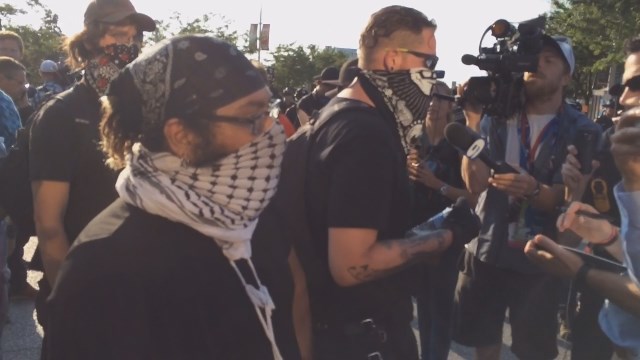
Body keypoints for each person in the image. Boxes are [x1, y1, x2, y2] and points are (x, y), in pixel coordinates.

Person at [44, 34, 299, 360]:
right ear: (181, 135)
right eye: (251, 117)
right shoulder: (104, 267)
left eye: (269, 110)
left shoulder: (254, 212)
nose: (271, 129)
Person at [296, 6, 477, 359]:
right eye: (428, 61)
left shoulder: (336, 114)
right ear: (393, 60)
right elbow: (351, 265)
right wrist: (446, 236)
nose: (432, 74)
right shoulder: (366, 135)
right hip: (362, 338)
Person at [453, 34, 601, 360]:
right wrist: (473, 123)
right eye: (534, 60)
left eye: (549, 60)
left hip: (539, 260)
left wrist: (534, 190)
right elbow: (474, 184)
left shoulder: (583, 130)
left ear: (567, 76)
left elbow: (573, 202)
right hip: (487, 249)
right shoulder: (497, 117)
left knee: (533, 350)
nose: (537, 65)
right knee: (484, 340)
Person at [29, 0, 155, 337]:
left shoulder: (145, 109)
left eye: (133, 36)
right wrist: (72, 301)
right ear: (88, 41)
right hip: (85, 291)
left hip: (143, 291)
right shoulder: (62, 114)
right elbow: (49, 225)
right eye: (116, 35)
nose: (128, 46)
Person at [525, 106, 640, 360]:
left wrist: (580, 271)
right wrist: (608, 235)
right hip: (605, 314)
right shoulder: (609, 146)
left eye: (636, 84)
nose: (621, 98)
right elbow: (569, 233)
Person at [407, 80, 473, 360]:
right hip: (413, 231)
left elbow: (473, 195)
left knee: (441, 306)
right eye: (428, 96)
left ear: (450, 104)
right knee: (423, 305)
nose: (433, 102)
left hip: (448, 233)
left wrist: (437, 185)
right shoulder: (412, 136)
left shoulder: (458, 142)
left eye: (440, 97)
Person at [0, 31, 34, 122]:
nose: (8, 54)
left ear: (21, 55)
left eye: (13, 50)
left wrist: (24, 103)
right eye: (3, 49)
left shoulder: (30, 91)